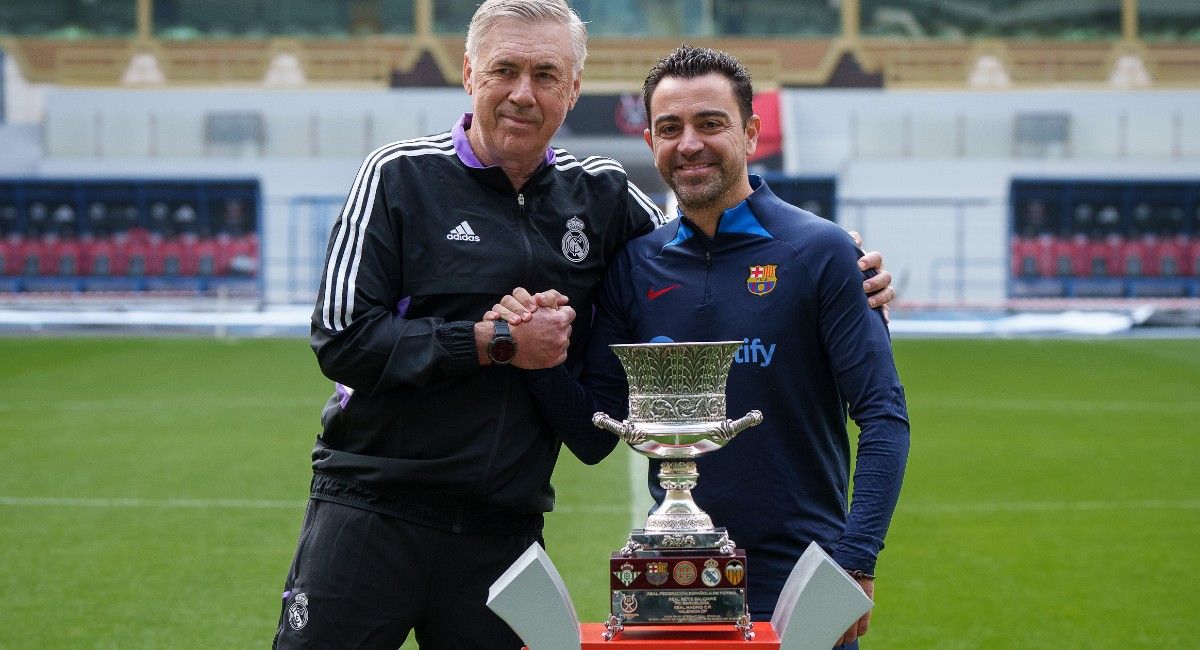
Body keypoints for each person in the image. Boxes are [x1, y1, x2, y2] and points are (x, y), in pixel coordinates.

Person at [275, 1, 895, 646]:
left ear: (573, 90)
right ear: (468, 74)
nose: (523, 93)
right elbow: (342, 338)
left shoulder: (600, 195)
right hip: (373, 508)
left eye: (546, 75)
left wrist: (836, 260)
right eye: (504, 71)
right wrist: (492, 342)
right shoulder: (398, 175)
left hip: (503, 529)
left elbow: (701, 248)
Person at [492, 46, 909, 649]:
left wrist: (857, 560)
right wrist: (534, 357)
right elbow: (589, 436)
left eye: (710, 124)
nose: (689, 144)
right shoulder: (636, 265)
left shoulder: (822, 253)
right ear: (652, 140)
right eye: (670, 128)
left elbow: (883, 416)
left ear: (751, 133)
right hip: (674, 588)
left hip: (803, 588)